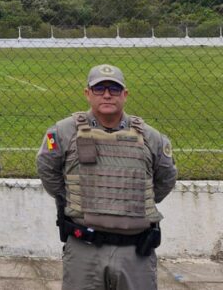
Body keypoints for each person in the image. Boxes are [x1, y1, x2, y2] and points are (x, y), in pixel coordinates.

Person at [36, 64, 177, 290]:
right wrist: (73, 198)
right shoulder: (62, 132)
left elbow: (166, 178)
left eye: (114, 89)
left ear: (125, 94)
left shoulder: (152, 137)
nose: (107, 94)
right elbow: (47, 169)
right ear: (87, 93)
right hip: (85, 250)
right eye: (99, 89)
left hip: (135, 251)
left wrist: (136, 202)